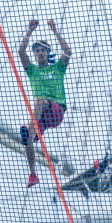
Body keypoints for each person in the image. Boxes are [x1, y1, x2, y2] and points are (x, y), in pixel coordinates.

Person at [17, 19, 71, 187]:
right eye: (37, 51)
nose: (39, 53)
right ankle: (33, 174)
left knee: (40, 101)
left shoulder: (57, 68)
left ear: (47, 53)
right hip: (43, 118)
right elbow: (20, 52)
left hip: (56, 112)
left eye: (42, 51)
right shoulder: (32, 71)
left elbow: (68, 51)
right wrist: (29, 31)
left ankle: (33, 128)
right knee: (26, 136)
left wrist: (55, 31)